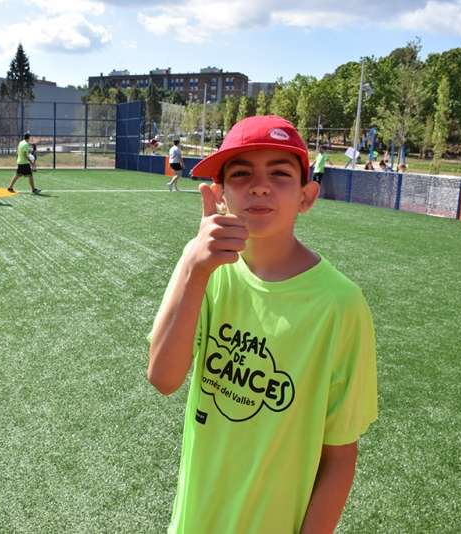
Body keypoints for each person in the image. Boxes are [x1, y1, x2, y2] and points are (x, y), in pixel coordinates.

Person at [148, 115, 378, 533]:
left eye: (280, 173)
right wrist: (195, 270)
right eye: (241, 174)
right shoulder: (201, 265)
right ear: (220, 196)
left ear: (307, 197)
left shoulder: (340, 305)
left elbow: (340, 455)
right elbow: (163, 377)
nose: (259, 185)